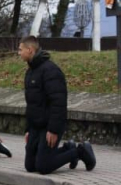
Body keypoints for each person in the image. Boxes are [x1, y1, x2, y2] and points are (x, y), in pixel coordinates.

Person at [19, 35, 96, 174]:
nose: (19, 53)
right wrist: (28, 129)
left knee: (43, 167)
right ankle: (67, 149)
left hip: (50, 125)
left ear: (30, 50)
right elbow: (31, 104)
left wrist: (53, 129)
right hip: (36, 126)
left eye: (20, 50)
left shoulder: (50, 70)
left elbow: (58, 102)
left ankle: (79, 151)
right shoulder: (30, 72)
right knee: (30, 166)